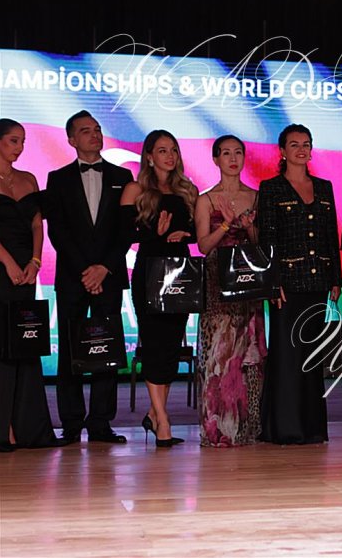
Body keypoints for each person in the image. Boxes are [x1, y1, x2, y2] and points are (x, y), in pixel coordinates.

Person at [46, 111, 133, 444]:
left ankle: (100, 423)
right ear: (71, 139)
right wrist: (87, 271)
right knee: (70, 349)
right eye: (85, 131)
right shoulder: (58, 178)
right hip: (73, 277)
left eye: (97, 129)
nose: (94, 135)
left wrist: (104, 268)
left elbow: (125, 231)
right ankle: (70, 422)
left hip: (109, 276)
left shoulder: (123, 176)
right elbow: (58, 231)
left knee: (106, 348)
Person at [257, 124, 341, 445]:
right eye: (294, 144)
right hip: (287, 284)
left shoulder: (324, 187)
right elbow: (267, 238)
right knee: (287, 355)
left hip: (318, 281)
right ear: (282, 151)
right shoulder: (271, 188)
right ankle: (284, 428)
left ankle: (312, 427)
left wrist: (335, 278)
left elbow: (330, 235)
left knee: (312, 355)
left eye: (306, 144)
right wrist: (272, 281)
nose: (301, 149)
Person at [121, 130, 198, 448]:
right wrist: (156, 232)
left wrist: (185, 235)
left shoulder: (187, 189)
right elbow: (124, 232)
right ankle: (163, 420)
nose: (170, 156)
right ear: (149, 156)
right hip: (149, 272)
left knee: (170, 346)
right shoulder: (136, 189)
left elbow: (197, 231)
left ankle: (155, 414)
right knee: (154, 343)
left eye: (174, 150)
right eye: (162, 150)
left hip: (180, 274)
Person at [193, 135, 267, 447]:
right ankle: (218, 429)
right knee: (218, 357)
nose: (233, 158)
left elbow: (261, 244)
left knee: (249, 358)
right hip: (217, 285)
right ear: (216, 159)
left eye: (238, 152)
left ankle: (246, 428)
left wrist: (248, 226)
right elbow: (203, 246)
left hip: (248, 284)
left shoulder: (256, 196)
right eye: (226, 153)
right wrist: (225, 225)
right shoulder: (205, 200)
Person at [0, 119, 67, 452]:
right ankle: (4, 429)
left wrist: (36, 262)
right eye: (14, 140)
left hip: (26, 272)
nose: (20, 147)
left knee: (24, 343)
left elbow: (37, 225)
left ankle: (28, 427)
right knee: (1, 347)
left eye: (23, 141)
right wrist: (8, 263)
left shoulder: (28, 179)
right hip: (1, 269)